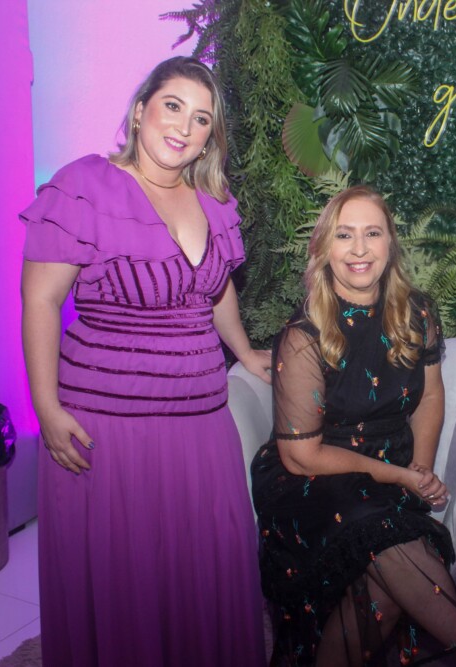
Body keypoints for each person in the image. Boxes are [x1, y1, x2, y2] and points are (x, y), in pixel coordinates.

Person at [20, 56, 269, 667]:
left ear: (211, 136)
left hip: (201, 423)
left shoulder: (213, 200)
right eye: (173, 106)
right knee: (124, 579)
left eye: (202, 118)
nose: (184, 126)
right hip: (110, 428)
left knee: (206, 564)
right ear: (140, 111)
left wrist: (244, 351)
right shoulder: (85, 186)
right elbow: (41, 300)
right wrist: (46, 407)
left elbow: (216, 289)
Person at [251, 186, 456, 667]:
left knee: (387, 584)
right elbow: (301, 457)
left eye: (372, 233)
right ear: (324, 248)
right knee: (382, 533)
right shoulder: (303, 336)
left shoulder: (417, 313)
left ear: (391, 243)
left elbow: (429, 396)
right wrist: (402, 478)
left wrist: (420, 468)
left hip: (392, 466)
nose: (359, 249)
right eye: (344, 235)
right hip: (314, 478)